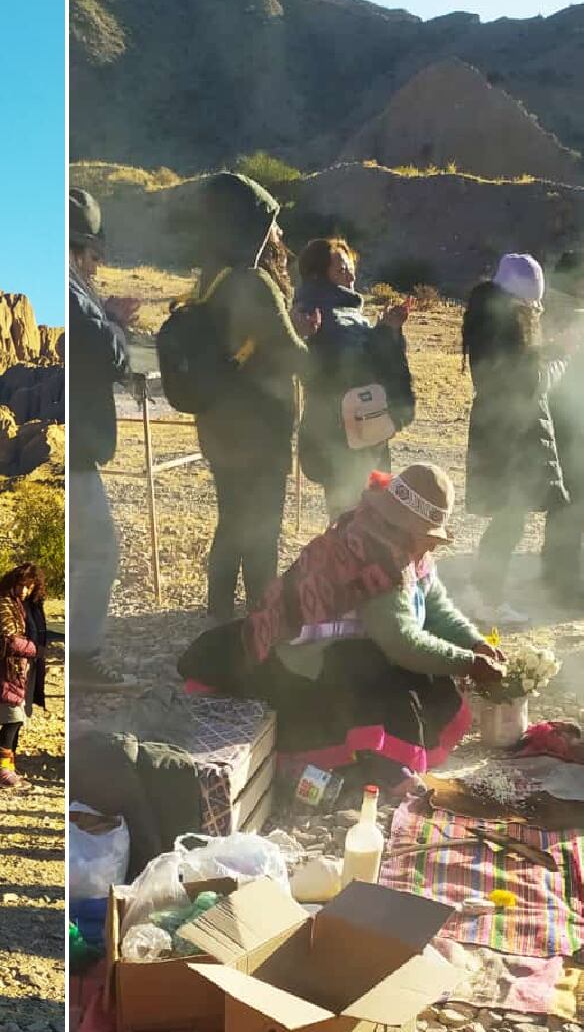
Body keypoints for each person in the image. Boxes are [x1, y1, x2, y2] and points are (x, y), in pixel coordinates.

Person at [178, 465, 505, 799]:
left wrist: (474, 644)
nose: (433, 547)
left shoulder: (407, 552)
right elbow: (401, 642)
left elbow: (436, 607)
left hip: (354, 648)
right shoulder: (376, 557)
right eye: (429, 536)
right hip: (310, 661)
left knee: (419, 671)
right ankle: (380, 764)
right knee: (378, 670)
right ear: (406, 527)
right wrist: (467, 663)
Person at [188, 172, 307, 621]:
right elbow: (293, 354)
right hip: (260, 429)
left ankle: (219, 611)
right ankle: (263, 615)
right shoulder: (254, 281)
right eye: (272, 222)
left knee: (233, 517)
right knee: (261, 525)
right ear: (251, 226)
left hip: (220, 427)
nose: (279, 233)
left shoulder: (212, 279)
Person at [462, 254, 567, 625]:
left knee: (509, 518)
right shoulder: (510, 326)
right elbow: (531, 384)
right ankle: (485, 598)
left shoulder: (489, 317)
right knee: (510, 520)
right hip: (513, 434)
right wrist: (560, 360)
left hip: (496, 429)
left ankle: (482, 591)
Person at [67, 187, 139, 693]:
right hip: (76, 451)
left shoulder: (70, 289)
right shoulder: (68, 287)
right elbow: (108, 352)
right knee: (98, 551)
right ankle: (82, 655)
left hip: (72, 447)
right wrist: (114, 321)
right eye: (93, 256)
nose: (95, 266)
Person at [293, 237, 416, 521]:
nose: (350, 275)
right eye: (340, 270)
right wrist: (383, 334)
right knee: (350, 519)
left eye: (350, 268)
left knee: (369, 514)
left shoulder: (349, 312)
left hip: (366, 427)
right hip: (339, 434)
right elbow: (347, 368)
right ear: (318, 275)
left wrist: (387, 330)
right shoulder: (311, 312)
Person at [539, 250, 584, 605]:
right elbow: (562, 365)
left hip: (578, 419)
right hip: (562, 418)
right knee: (577, 496)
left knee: (572, 496)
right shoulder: (559, 314)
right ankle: (560, 578)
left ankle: (557, 572)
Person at [0, 562, 57, 789]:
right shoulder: (4, 604)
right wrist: (37, 650)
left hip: (20, 673)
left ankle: (9, 768)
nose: (24, 590)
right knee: (11, 721)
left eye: (29, 587)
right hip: (5, 672)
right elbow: (8, 638)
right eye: (21, 585)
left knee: (18, 720)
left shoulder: (26, 606)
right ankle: (0, 771)